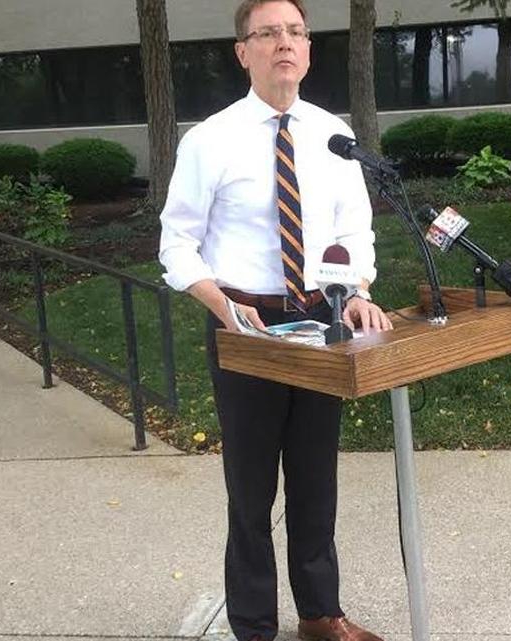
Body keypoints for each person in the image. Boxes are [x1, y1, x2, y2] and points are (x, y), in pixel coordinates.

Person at [158, 1, 392, 640]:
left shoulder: (332, 134)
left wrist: (355, 290)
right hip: (246, 329)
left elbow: (354, 231)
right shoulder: (209, 140)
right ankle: (255, 627)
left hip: (319, 322)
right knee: (252, 489)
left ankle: (321, 615)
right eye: (267, 34)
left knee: (317, 478)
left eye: (294, 32)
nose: (283, 44)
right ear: (243, 51)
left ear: (309, 49)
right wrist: (219, 304)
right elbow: (176, 243)